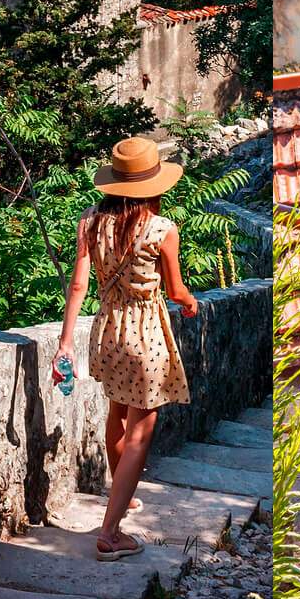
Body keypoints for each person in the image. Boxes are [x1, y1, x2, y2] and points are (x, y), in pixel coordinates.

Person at [54, 136, 200, 560]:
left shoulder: (90, 222)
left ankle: (122, 491)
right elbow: (175, 291)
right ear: (154, 185)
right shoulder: (162, 230)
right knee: (141, 430)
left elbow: (79, 285)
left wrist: (66, 344)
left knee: (116, 413)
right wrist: (190, 304)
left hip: (108, 330)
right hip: (145, 333)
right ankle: (110, 534)